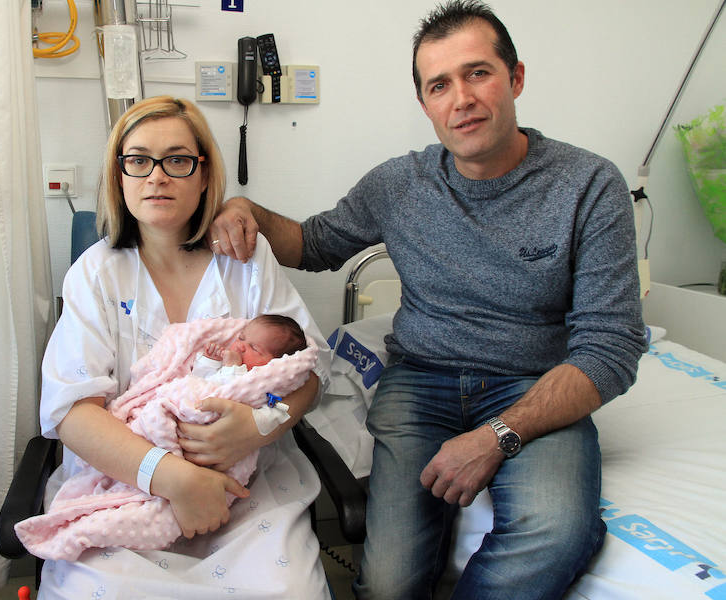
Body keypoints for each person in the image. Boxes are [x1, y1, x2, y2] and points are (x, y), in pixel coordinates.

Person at [207, 2, 647, 598]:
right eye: (439, 84)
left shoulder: (589, 186)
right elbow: (313, 243)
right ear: (425, 105)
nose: (460, 98)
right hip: (420, 383)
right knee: (389, 582)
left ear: (515, 78)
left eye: (478, 73)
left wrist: (497, 437)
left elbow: (611, 348)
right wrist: (244, 208)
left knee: (555, 534)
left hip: (534, 383)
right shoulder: (399, 184)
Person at [37, 95, 332, 599]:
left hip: (246, 487)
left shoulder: (246, 257)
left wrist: (260, 428)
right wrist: (170, 476)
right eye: (138, 160)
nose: (156, 176)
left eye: (177, 160)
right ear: (120, 175)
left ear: (203, 173)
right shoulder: (96, 273)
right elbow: (72, 412)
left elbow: (310, 371)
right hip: (126, 484)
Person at [194, 314, 308, 382]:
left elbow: (225, 393)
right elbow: (198, 382)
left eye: (254, 348)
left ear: (277, 364)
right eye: (241, 338)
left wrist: (233, 367)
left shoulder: (259, 381)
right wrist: (210, 361)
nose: (241, 346)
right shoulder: (226, 363)